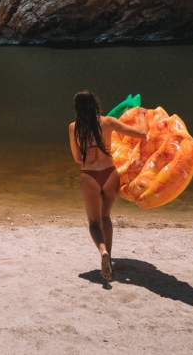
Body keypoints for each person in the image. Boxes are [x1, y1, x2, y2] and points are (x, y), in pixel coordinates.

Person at [68, 90, 148, 281]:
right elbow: (141, 134)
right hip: (110, 174)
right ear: (96, 104)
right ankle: (109, 260)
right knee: (106, 217)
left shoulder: (73, 127)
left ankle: (102, 251)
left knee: (94, 223)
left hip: (89, 176)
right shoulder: (107, 122)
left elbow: (77, 158)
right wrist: (141, 114)